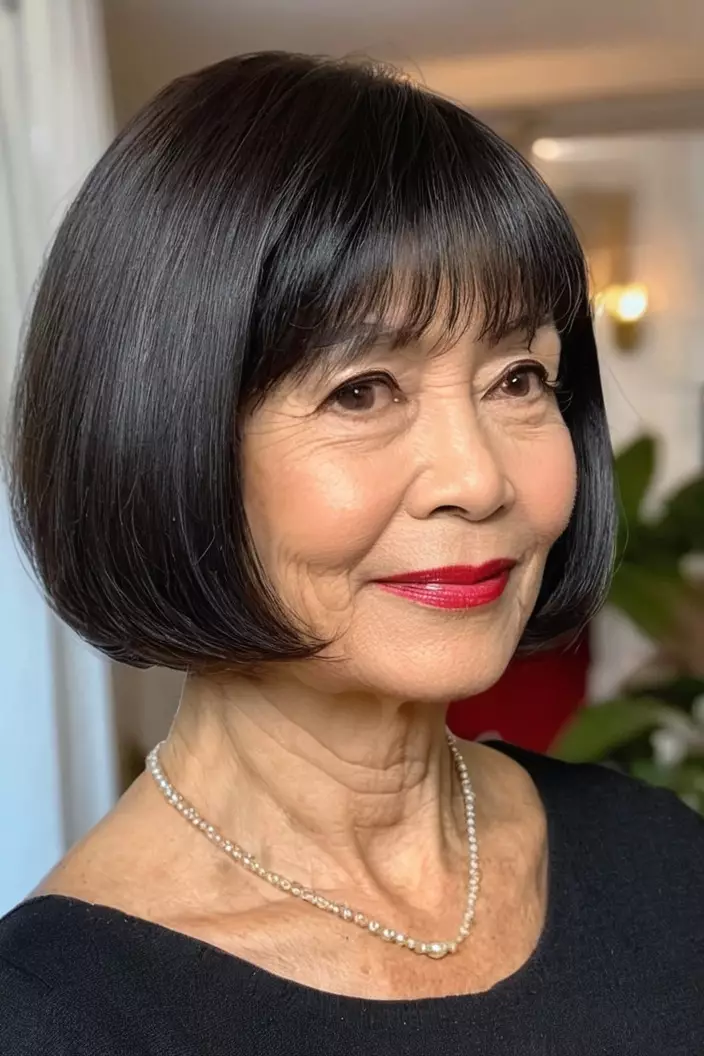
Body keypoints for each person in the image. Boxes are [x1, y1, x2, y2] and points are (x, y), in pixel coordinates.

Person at [1, 52, 702, 1056]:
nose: (477, 478)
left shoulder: (658, 859)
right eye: (360, 391)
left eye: (516, 379)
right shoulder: (54, 1016)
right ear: (157, 439)